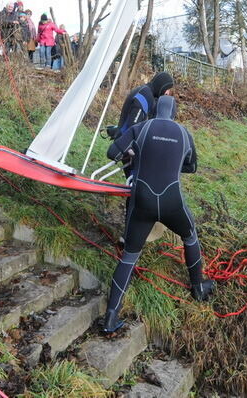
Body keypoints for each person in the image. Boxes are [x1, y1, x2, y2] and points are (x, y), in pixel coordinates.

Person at [102, 95, 214, 333]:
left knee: (129, 257)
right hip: (173, 203)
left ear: (154, 110)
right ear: (173, 113)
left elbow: (112, 152)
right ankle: (198, 288)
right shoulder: (184, 133)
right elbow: (192, 166)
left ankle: (110, 318)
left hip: (141, 203)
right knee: (190, 237)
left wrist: (135, 154)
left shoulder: (141, 128)